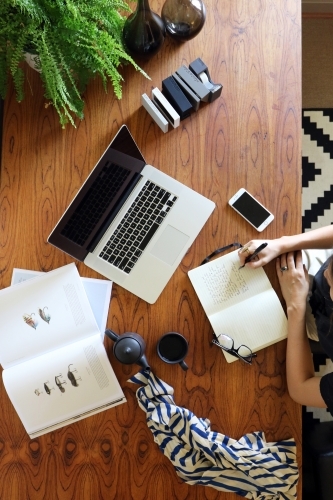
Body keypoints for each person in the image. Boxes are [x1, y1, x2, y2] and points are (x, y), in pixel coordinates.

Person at [238, 225, 333, 414]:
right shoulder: (326, 274)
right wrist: (282, 243)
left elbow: (301, 390)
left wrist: (296, 306)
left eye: (331, 278)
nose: (325, 273)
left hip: (319, 323)